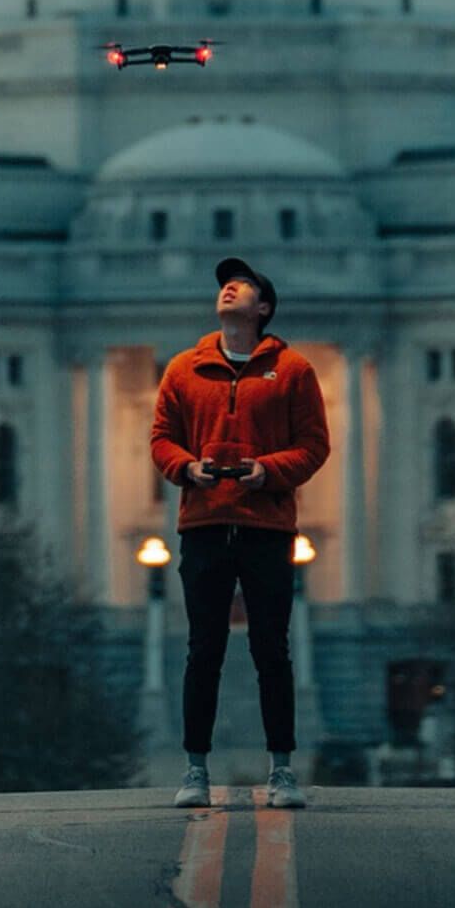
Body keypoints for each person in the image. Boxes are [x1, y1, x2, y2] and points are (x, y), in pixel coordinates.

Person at [149, 257, 331, 809]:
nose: (229, 288)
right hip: (203, 524)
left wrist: (268, 471)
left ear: (265, 307)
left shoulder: (294, 371)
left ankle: (282, 770)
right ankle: (195, 770)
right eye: (226, 284)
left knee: (271, 650)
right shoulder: (183, 369)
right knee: (203, 649)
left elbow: (314, 445)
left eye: (243, 285)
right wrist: (187, 468)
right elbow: (161, 438)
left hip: (266, 527)